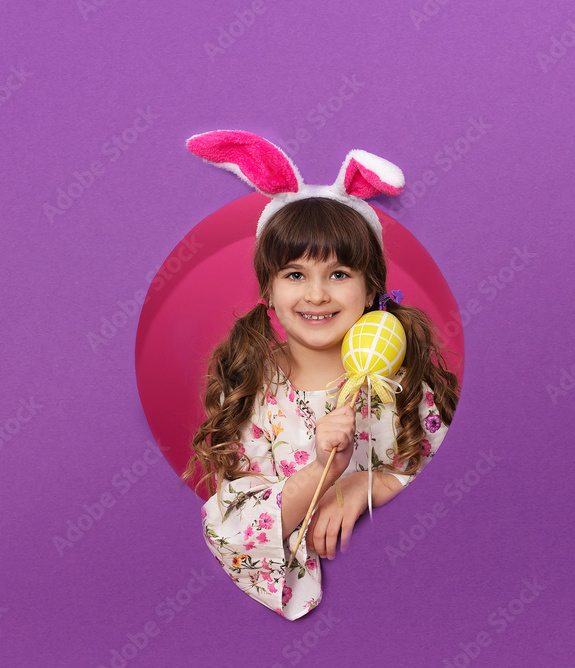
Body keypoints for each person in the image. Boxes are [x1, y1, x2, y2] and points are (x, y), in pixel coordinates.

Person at [183, 131, 460, 620]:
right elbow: (232, 529)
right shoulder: (251, 392)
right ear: (266, 288)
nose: (316, 295)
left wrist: (366, 485)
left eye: (338, 274)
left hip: (420, 603)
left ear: (372, 285)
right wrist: (323, 473)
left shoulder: (402, 380)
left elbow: (459, 482)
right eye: (294, 274)